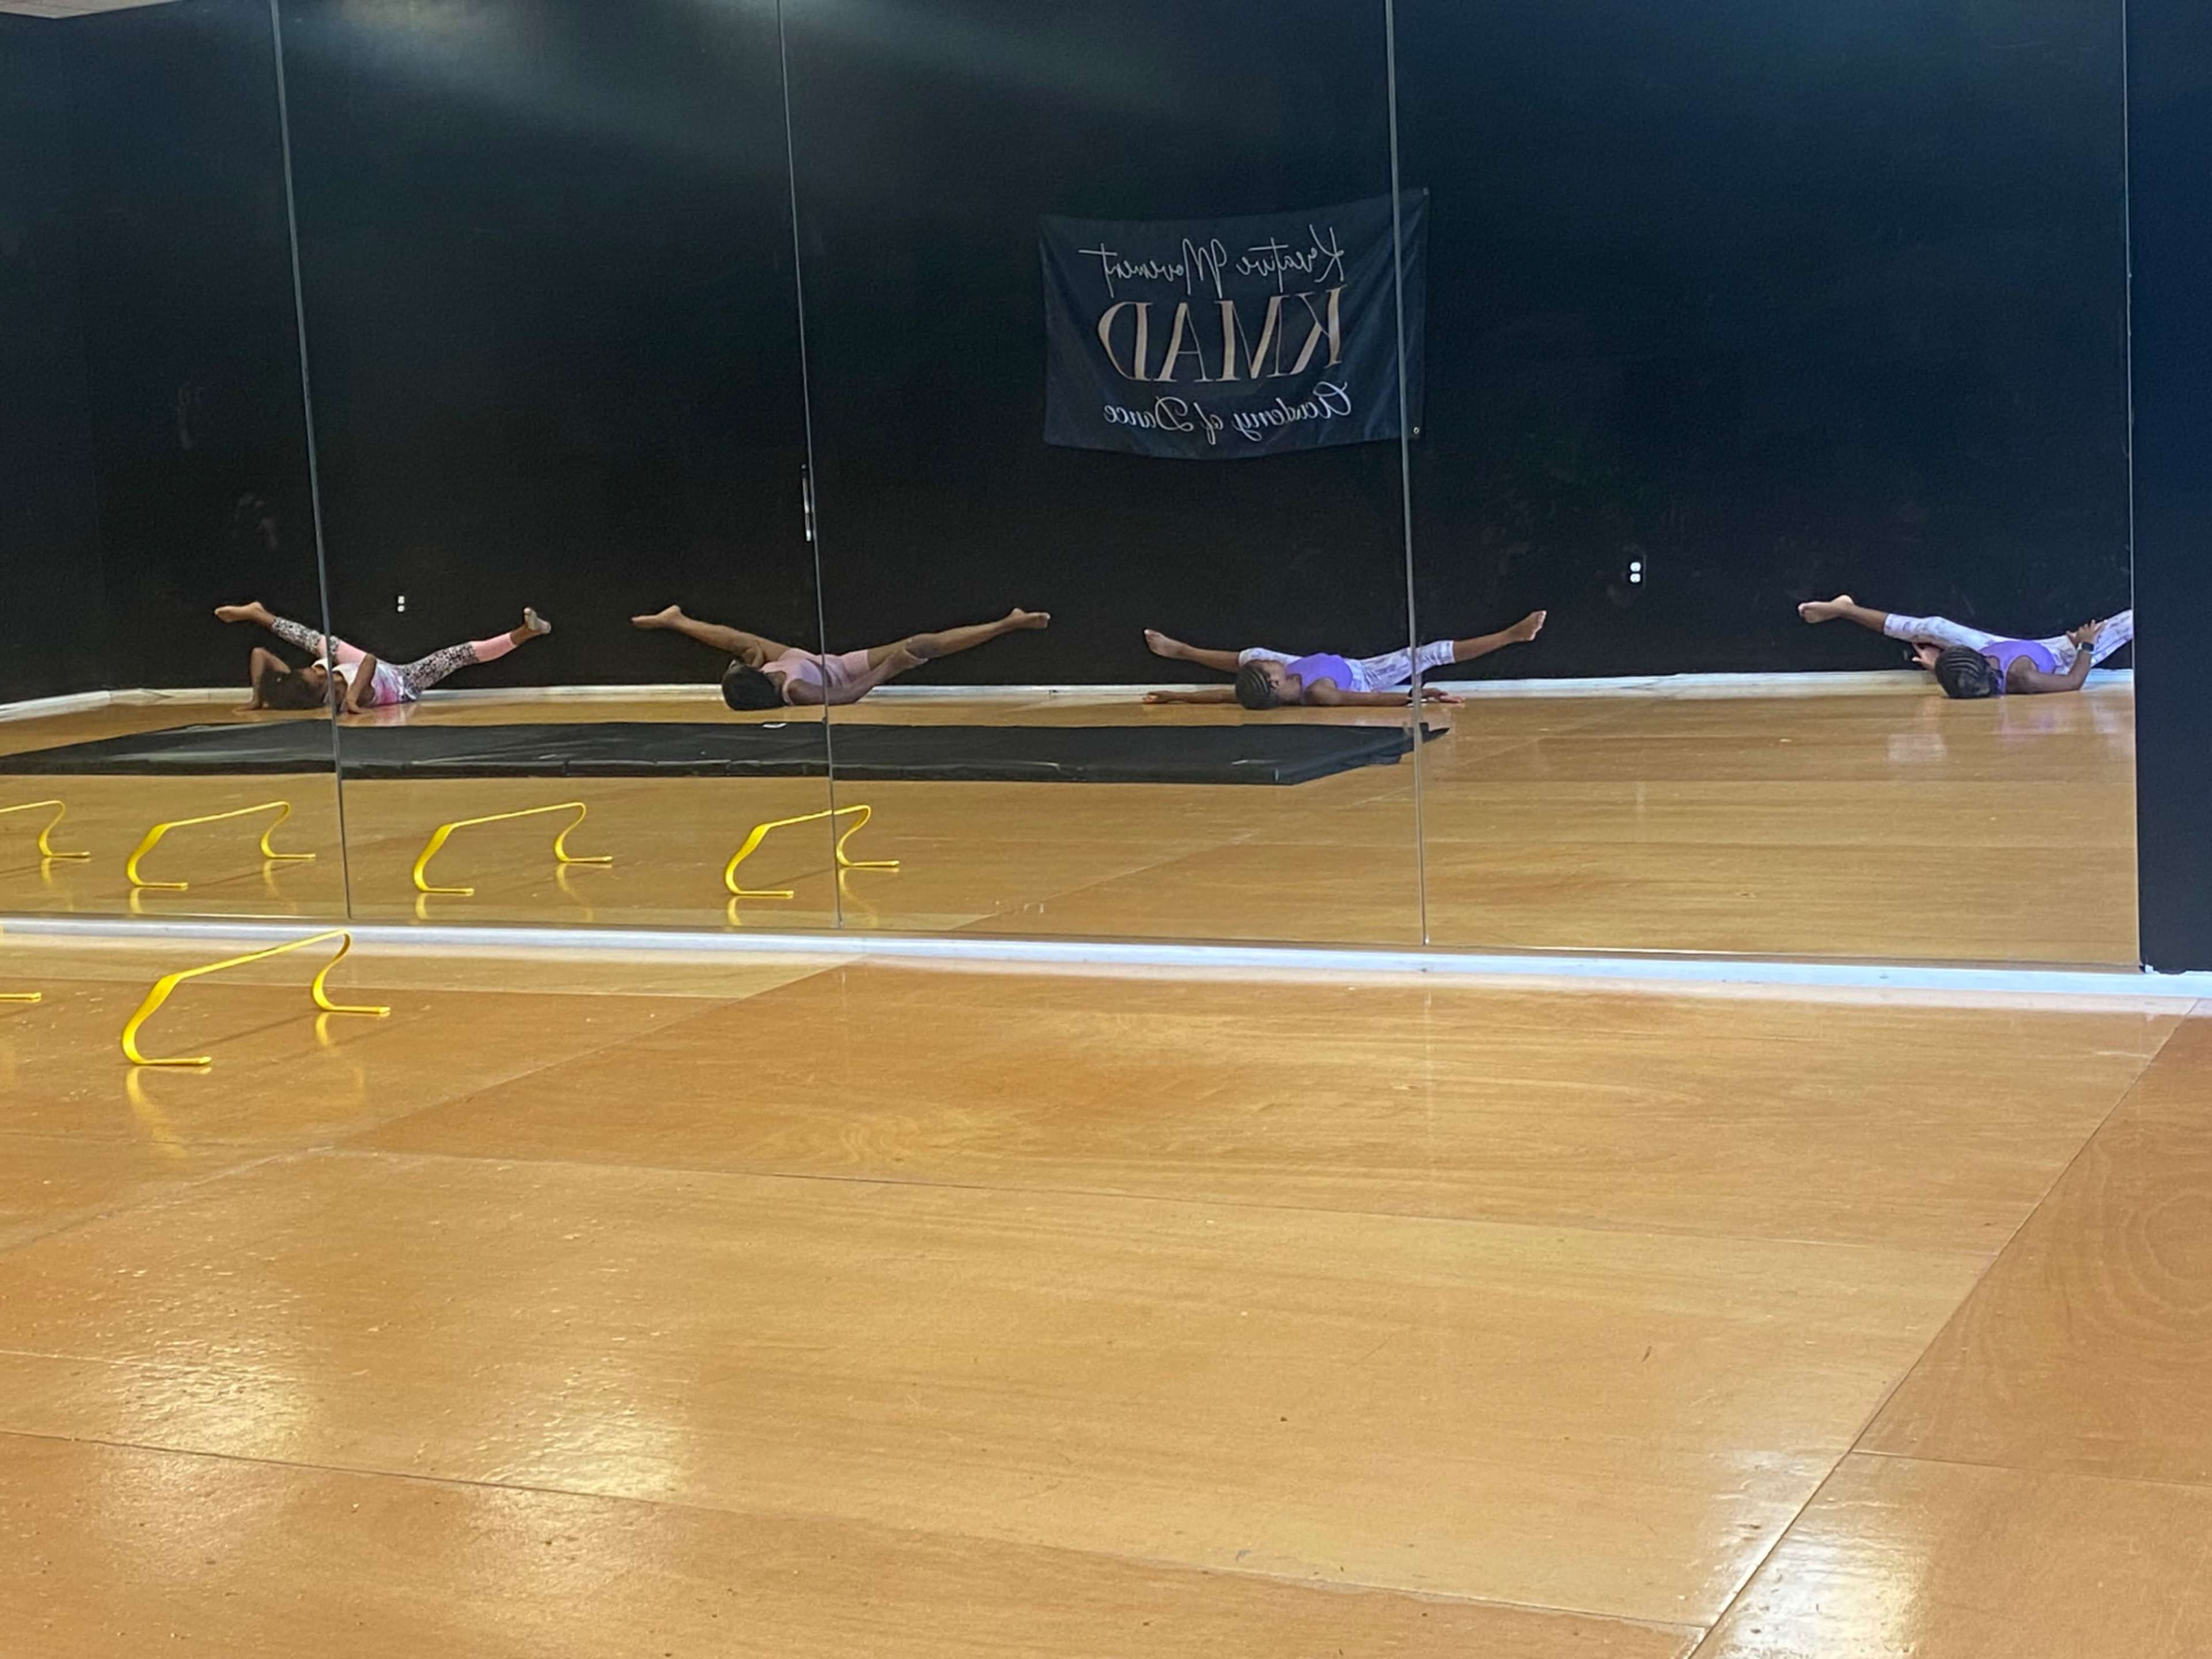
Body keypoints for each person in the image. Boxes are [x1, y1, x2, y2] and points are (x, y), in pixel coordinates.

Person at [630, 604, 1051, 709]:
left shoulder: (771, 672)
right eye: (747, 669)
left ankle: (676, 620)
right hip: (833, 669)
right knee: (923, 645)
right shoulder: (794, 690)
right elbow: (845, 697)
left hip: (809, 659)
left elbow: (745, 652)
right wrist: (889, 666)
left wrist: (752, 655)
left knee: (743, 641)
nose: (748, 663)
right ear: (767, 683)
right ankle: (1006, 624)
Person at [1141, 611, 1547, 708]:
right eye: (1266, 672)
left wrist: (1177, 696)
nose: (1267, 666)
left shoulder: (1283, 677)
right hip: (1364, 675)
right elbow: (1370, 701)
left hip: (1315, 663)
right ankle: (1512, 636)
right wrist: (1417, 695)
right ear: (1276, 685)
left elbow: (1225, 696)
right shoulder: (1319, 692)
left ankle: (1183, 651)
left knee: (1252, 652)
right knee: (1430, 653)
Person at [215, 600, 552, 714]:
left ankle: (260, 614)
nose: (317, 671)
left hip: (365, 666)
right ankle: (526, 633)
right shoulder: (347, 695)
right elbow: (370, 663)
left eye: (311, 670)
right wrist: (352, 698)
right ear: (319, 693)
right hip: (403, 680)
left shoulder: (319, 687)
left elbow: (260, 655)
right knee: (458, 655)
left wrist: (258, 697)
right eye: (316, 677)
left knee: (315, 640)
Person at [1796, 594, 2131, 698]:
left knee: (1934, 627)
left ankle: (1845, 608)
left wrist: (1941, 666)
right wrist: (2085, 646)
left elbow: (1975, 669)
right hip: (2059, 655)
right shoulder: (2025, 679)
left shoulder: (1980, 670)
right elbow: (2074, 683)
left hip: (2003, 647)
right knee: (2125, 624)